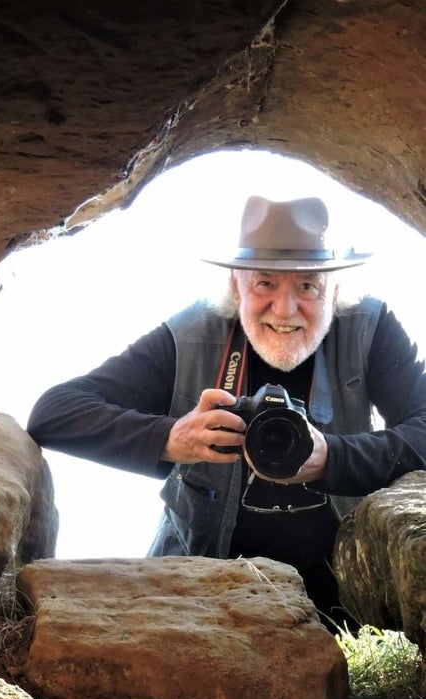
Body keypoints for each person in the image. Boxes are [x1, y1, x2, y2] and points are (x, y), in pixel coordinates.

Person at [26, 194, 426, 628]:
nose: (285, 310)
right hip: (202, 603)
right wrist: (171, 439)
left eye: (308, 285)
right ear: (237, 285)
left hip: (351, 604)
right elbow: (55, 413)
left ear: (336, 290)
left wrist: (331, 456)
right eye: (265, 283)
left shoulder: (369, 328)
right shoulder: (192, 335)